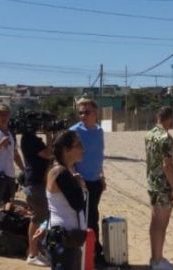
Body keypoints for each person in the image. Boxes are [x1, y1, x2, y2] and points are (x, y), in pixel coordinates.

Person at [69, 98, 106, 265]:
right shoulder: (74, 132)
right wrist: (75, 175)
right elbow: (66, 157)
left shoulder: (99, 131)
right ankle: (94, 254)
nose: (83, 115)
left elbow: (99, 155)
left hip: (96, 182)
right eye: (81, 112)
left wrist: (102, 176)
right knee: (88, 219)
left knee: (93, 216)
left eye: (87, 112)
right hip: (81, 184)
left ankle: (92, 252)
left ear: (95, 113)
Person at [145, 106, 173, 270]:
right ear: (169, 119)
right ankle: (158, 261)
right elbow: (168, 166)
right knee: (161, 224)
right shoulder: (166, 138)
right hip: (163, 187)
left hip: (152, 184)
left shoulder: (149, 134)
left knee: (154, 222)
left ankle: (155, 257)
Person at [46, 130, 86, 270]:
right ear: (66, 150)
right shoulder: (61, 173)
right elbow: (78, 204)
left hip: (66, 239)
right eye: (78, 145)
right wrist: (80, 186)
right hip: (65, 240)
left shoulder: (63, 171)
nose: (82, 148)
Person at [20, 128, 53, 266]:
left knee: (41, 216)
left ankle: (34, 251)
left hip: (36, 183)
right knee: (39, 217)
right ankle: (33, 254)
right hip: (35, 184)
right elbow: (49, 154)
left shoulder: (30, 139)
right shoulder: (30, 139)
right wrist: (49, 136)